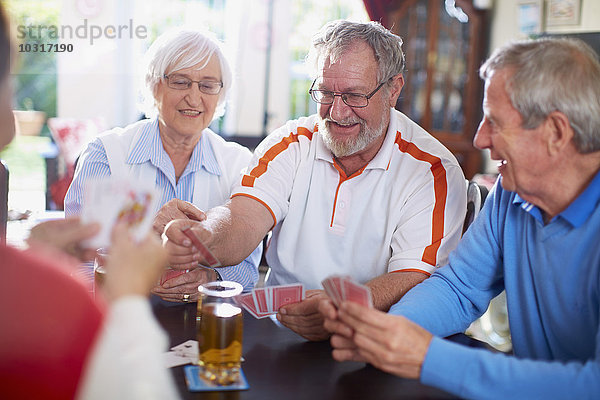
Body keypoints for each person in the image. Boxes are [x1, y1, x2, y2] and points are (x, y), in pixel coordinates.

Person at [321, 37, 600, 399]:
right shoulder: (510, 196)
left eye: (495, 123)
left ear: (556, 133)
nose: (480, 138)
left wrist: (427, 357)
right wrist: (387, 334)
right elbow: (458, 288)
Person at [164, 20, 467, 340]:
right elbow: (243, 217)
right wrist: (205, 235)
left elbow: (415, 277)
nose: (336, 111)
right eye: (324, 92)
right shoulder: (290, 143)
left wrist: (341, 308)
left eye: (354, 96)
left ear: (393, 90)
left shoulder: (432, 170)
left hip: (373, 340)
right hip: (279, 334)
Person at [0, 5, 178, 398]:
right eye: (10, 78)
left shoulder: (235, 160)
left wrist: (34, 261)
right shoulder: (55, 303)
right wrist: (129, 298)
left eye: (209, 84)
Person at [64, 27, 262, 302]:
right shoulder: (107, 154)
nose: (194, 98)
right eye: (180, 82)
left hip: (201, 323)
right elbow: (81, 262)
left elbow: (248, 269)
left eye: (207, 85)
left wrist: (212, 279)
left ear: (220, 94)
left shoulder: (239, 163)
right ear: (152, 84)